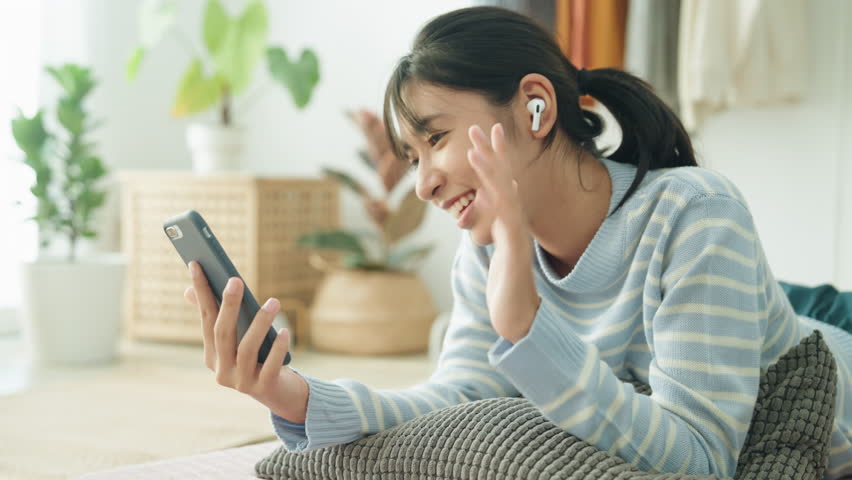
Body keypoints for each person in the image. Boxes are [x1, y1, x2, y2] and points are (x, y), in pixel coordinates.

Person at [183, 6, 852, 479]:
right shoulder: (487, 253)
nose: (423, 184)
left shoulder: (696, 214)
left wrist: (529, 328)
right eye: (412, 159)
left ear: (536, 107)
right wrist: (299, 398)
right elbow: (454, 403)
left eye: (436, 139)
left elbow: (700, 460)